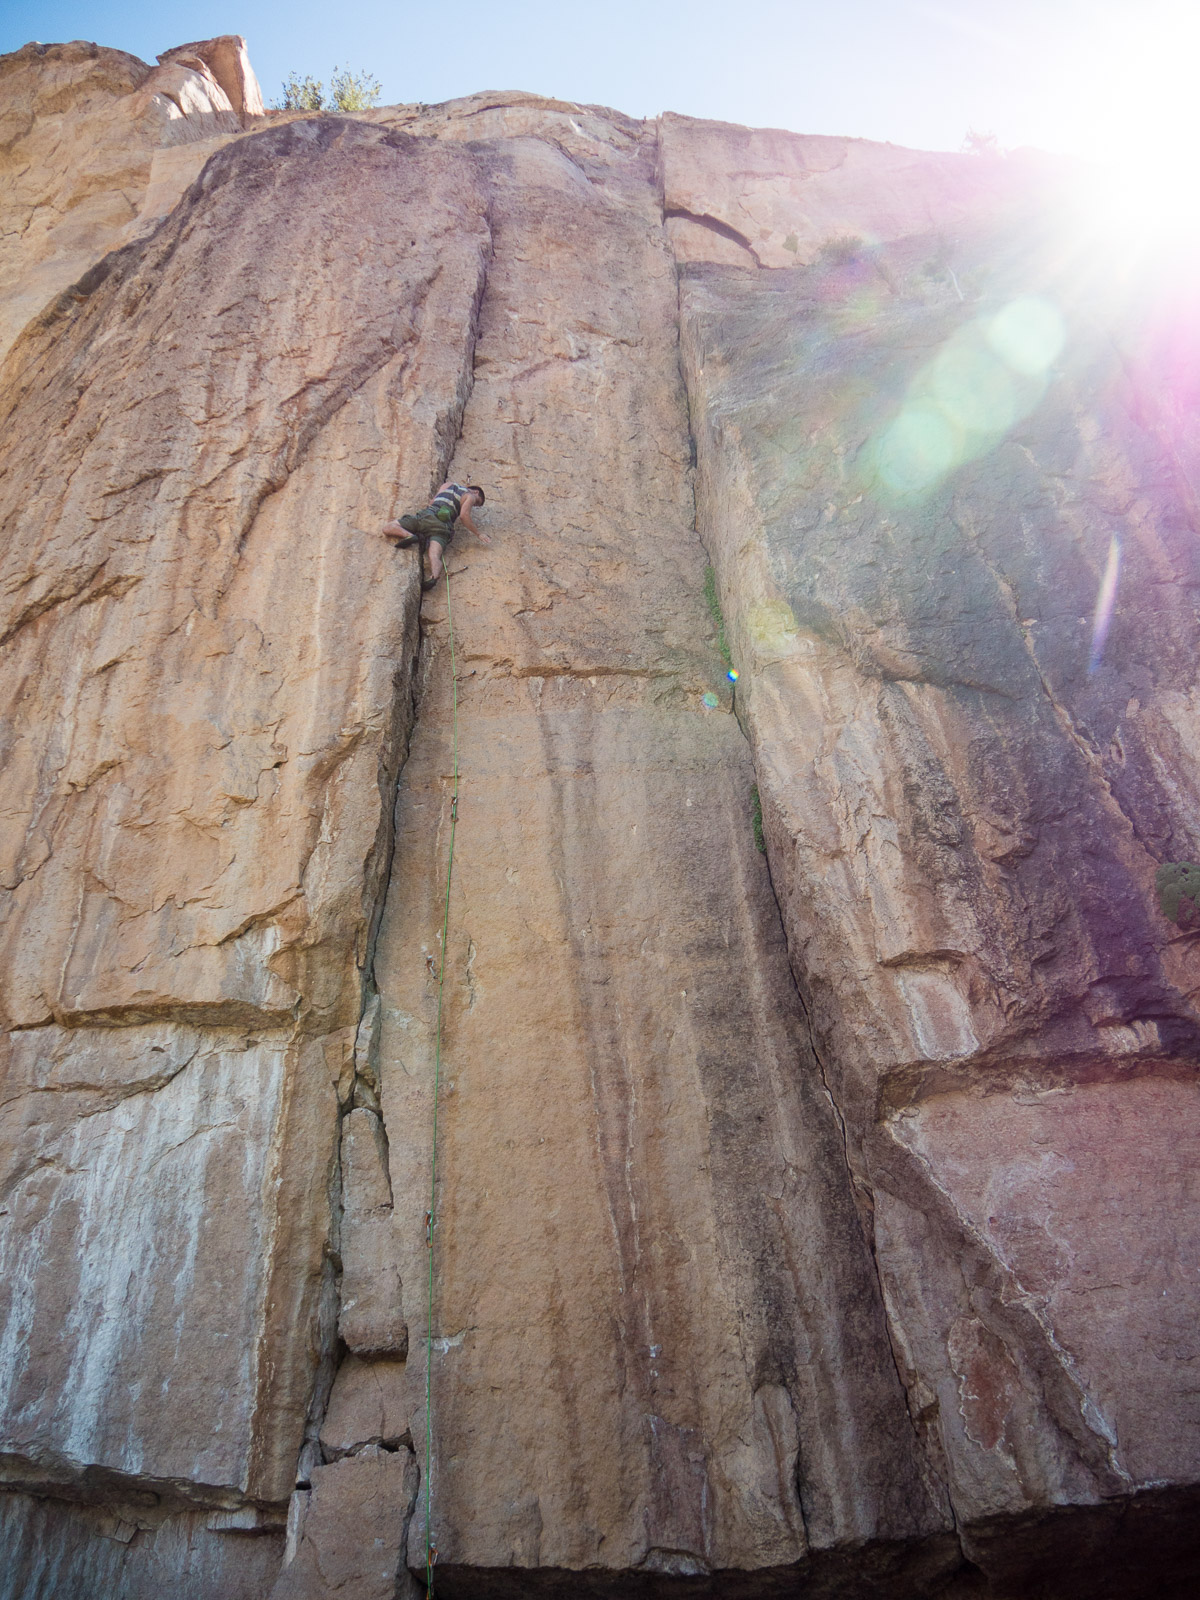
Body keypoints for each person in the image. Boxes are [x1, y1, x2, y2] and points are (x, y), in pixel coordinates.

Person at [382, 481, 490, 589]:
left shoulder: (449, 484)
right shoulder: (470, 496)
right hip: (442, 527)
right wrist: (478, 534)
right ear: (476, 492)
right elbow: (464, 516)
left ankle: (408, 535)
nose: (474, 505)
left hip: (428, 515)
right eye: (477, 502)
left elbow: (433, 500)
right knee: (434, 555)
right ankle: (434, 577)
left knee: (388, 527)